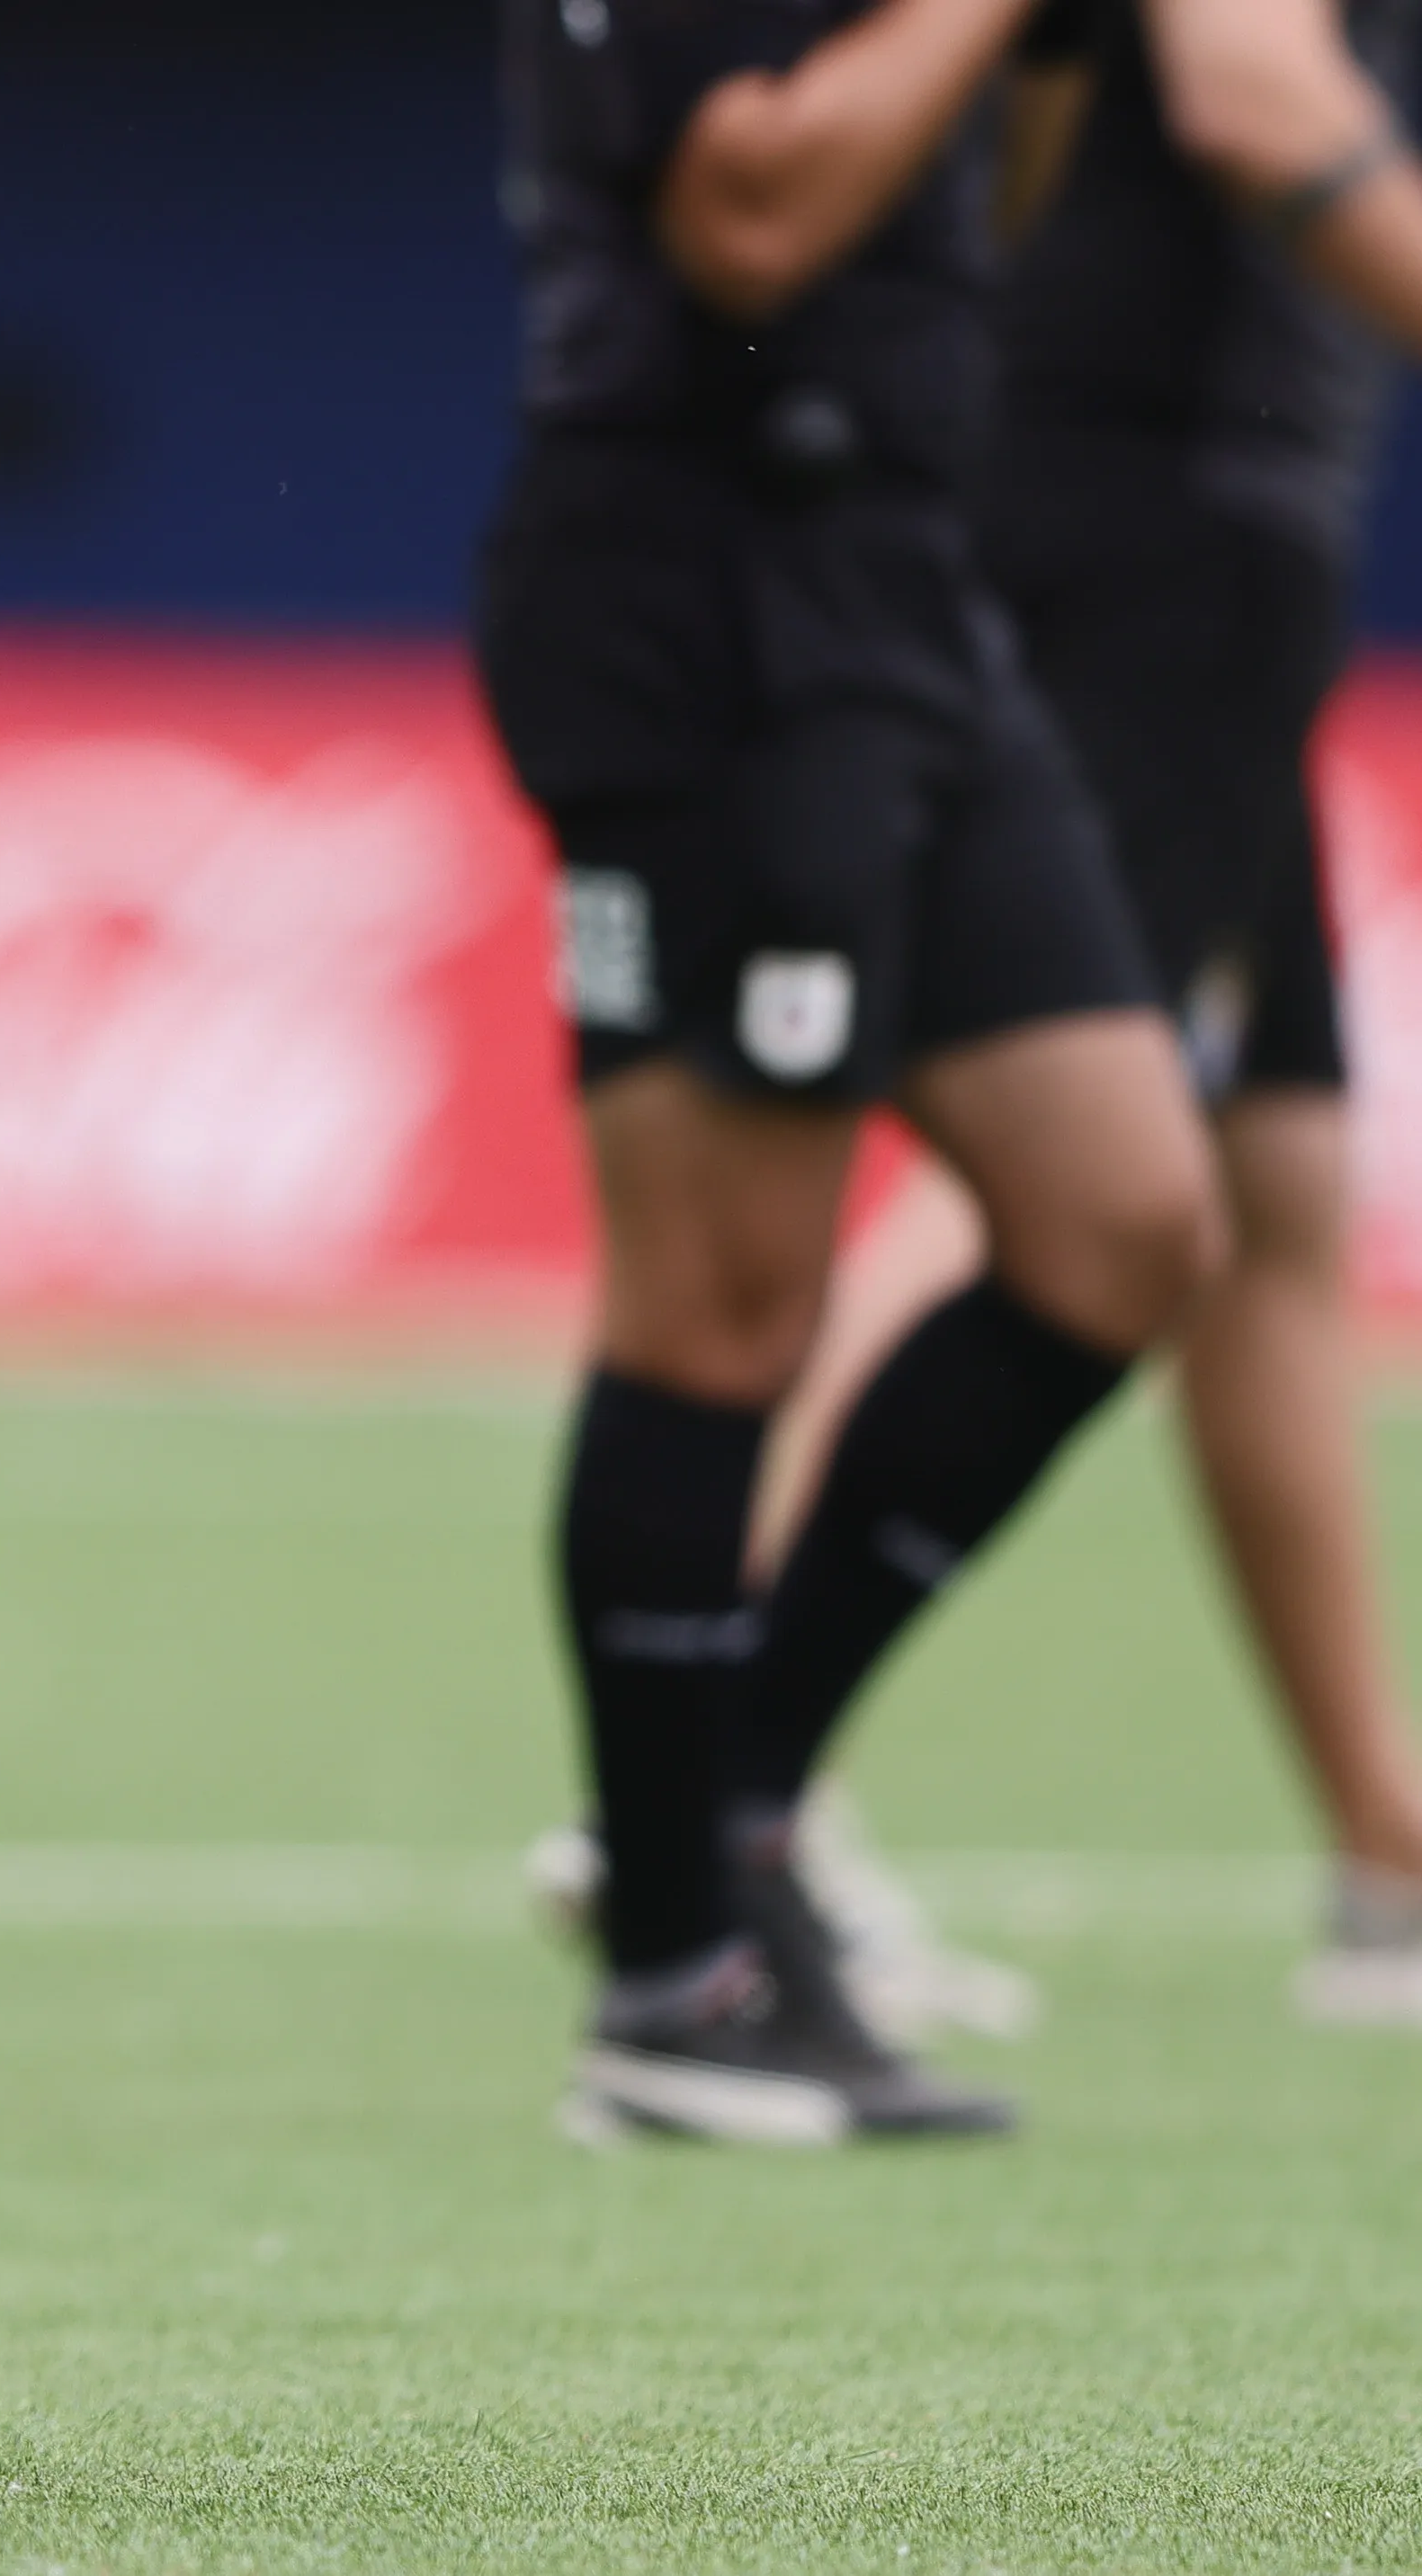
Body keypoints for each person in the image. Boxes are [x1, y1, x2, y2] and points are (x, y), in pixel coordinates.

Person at [478, 0, 1228, 2144]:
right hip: (695, 608)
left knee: (1120, 1216)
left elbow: (979, 185)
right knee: (724, 1301)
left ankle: (726, 1818)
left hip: (895, 590)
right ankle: (665, 1986)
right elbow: (749, 208)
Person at [732, 0, 1422, 2028]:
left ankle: (1388, 1847)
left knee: (1271, 1185)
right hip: (1164, 528)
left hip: (1188, 524)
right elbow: (1249, 84)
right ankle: (730, 1791)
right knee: (1066, 1166)